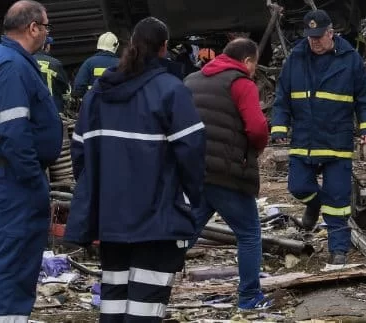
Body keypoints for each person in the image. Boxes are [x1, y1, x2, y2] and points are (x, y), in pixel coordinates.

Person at [65, 17, 206, 323]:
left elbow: (80, 154)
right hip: (156, 220)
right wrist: (193, 201)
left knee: (113, 302)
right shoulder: (171, 91)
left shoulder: (96, 96)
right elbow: (192, 154)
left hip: (110, 219)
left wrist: (100, 194)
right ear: (164, 48)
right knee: (146, 306)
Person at [0, 0, 64, 323]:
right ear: (32, 28)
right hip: (15, 178)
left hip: (11, 175)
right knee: (14, 255)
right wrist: (31, 178)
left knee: (6, 253)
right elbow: (14, 132)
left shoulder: (8, 60)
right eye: (46, 27)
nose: (46, 33)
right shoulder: (11, 67)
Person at [270, 10, 366, 265]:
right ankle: (315, 204)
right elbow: (282, 97)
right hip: (305, 141)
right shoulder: (296, 58)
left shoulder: (350, 59)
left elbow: (365, 97)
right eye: (310, 37)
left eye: (319, 37)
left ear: (331, 33)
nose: (315, 42)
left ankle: (338, 250)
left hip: (336, 141)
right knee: (298, 187)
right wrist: (279, 127)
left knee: (338, 200)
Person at [185, 37, 272, 312]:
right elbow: (257, 128)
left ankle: (152, 280)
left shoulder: (191, 81)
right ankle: (249, 297)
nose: (254, 70)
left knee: (186, 231)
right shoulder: (241, 83)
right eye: (254, 64)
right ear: (246, 61)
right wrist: (254, 151)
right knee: (248, 233)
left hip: (195, 170)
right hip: (228, 173)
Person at [72, 32, 120, 98]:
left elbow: (79, 88)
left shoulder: (88, 62)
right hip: (115, 105)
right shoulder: (121, 64)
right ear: (115, 46)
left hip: (93, 104)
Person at [34, 36, 71, 114]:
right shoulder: (55, 63)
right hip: (53, 107)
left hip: (33, 108)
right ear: (45, 46)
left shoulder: (25, 61)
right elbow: (65, 88)